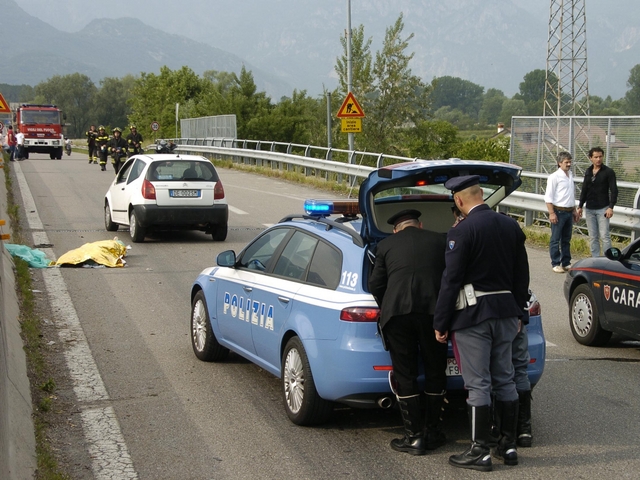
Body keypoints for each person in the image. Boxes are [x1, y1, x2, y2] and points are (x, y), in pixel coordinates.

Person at [434, 175, 530, 472]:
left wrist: (441, 321)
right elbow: (521, 275)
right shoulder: (510, 225)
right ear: (483, 195)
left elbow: (451, 281)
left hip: (474, 316)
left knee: (478, 383)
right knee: (505, 377)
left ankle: (479, 450)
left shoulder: (462, 231)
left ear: (459, 200)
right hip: (505, 313)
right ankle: (508, 444)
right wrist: (518, 312)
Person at [368, 209, 448, 456]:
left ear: (396, 229)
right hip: (433, 313)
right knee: (436, 369)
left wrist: (390, 301)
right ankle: (433, 432)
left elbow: (375, 285)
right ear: (420, 225)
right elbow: (450, 276)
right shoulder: (440, 240)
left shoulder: (385, 245)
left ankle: (414, 438)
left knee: (405, 372)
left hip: (398, 315)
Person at [578, 147, 618, 257]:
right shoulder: (588, 171)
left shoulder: (608, 172)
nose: (598, 159)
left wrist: (611, 207)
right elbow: (584, 189)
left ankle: (608, 259)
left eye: (600, 156)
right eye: (596, 157)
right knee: (593, 236)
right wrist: (580, 206)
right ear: (591, 158)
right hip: (590, 208)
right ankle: (595, 259)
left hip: (603, 208)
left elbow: (614, 190)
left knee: (604, 235)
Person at [544, 152, 580, 273]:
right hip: (558, 211)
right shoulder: (554, 177)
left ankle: (566, 262)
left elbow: (570, 195)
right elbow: (548, 197)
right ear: (559, 163)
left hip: (569, 211)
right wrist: (551, 213)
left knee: (566, 238)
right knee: (555, 238)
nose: (569, 164)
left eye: (570, 162)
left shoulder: (570, 175)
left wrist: (574, 210)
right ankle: (555, 262)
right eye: (566, 162)